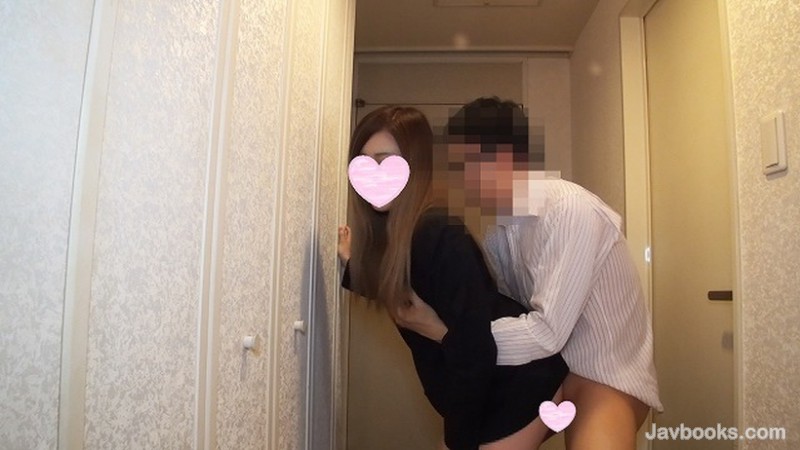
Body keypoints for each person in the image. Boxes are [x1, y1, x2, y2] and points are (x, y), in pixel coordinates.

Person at [393, 97, 663, 450]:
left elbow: (547, 332)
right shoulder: (500, 234)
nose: (462, 179)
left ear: (506, 157)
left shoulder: (571, 210)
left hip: (606, 374)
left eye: (467, 164)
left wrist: (450, 335)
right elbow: (501, 314)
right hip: (547, 371)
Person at [338, 105, 569, 450]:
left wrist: (458, 439)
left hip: (515, 387)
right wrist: (350, 265)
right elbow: (401, 287)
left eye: (386, 161)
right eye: (365, 163)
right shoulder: (401, 238)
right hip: (486, 389)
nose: (375, 175)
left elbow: (475, 349)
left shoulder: (437, 234)